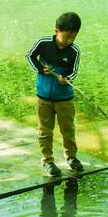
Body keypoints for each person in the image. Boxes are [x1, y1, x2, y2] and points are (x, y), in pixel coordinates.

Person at [26, 12, 84, 176]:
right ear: (57, 31)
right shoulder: (43, 43)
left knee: (68, 129)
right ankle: (48, 161)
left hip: (64, 98)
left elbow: (73, 72)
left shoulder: (74, 51)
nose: (69, 41)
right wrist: (39, 68)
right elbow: (29, 56)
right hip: (43, 97)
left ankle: (71, 157)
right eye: (66, 37)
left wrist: (66, 78)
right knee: (45, 131)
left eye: (73, 37)